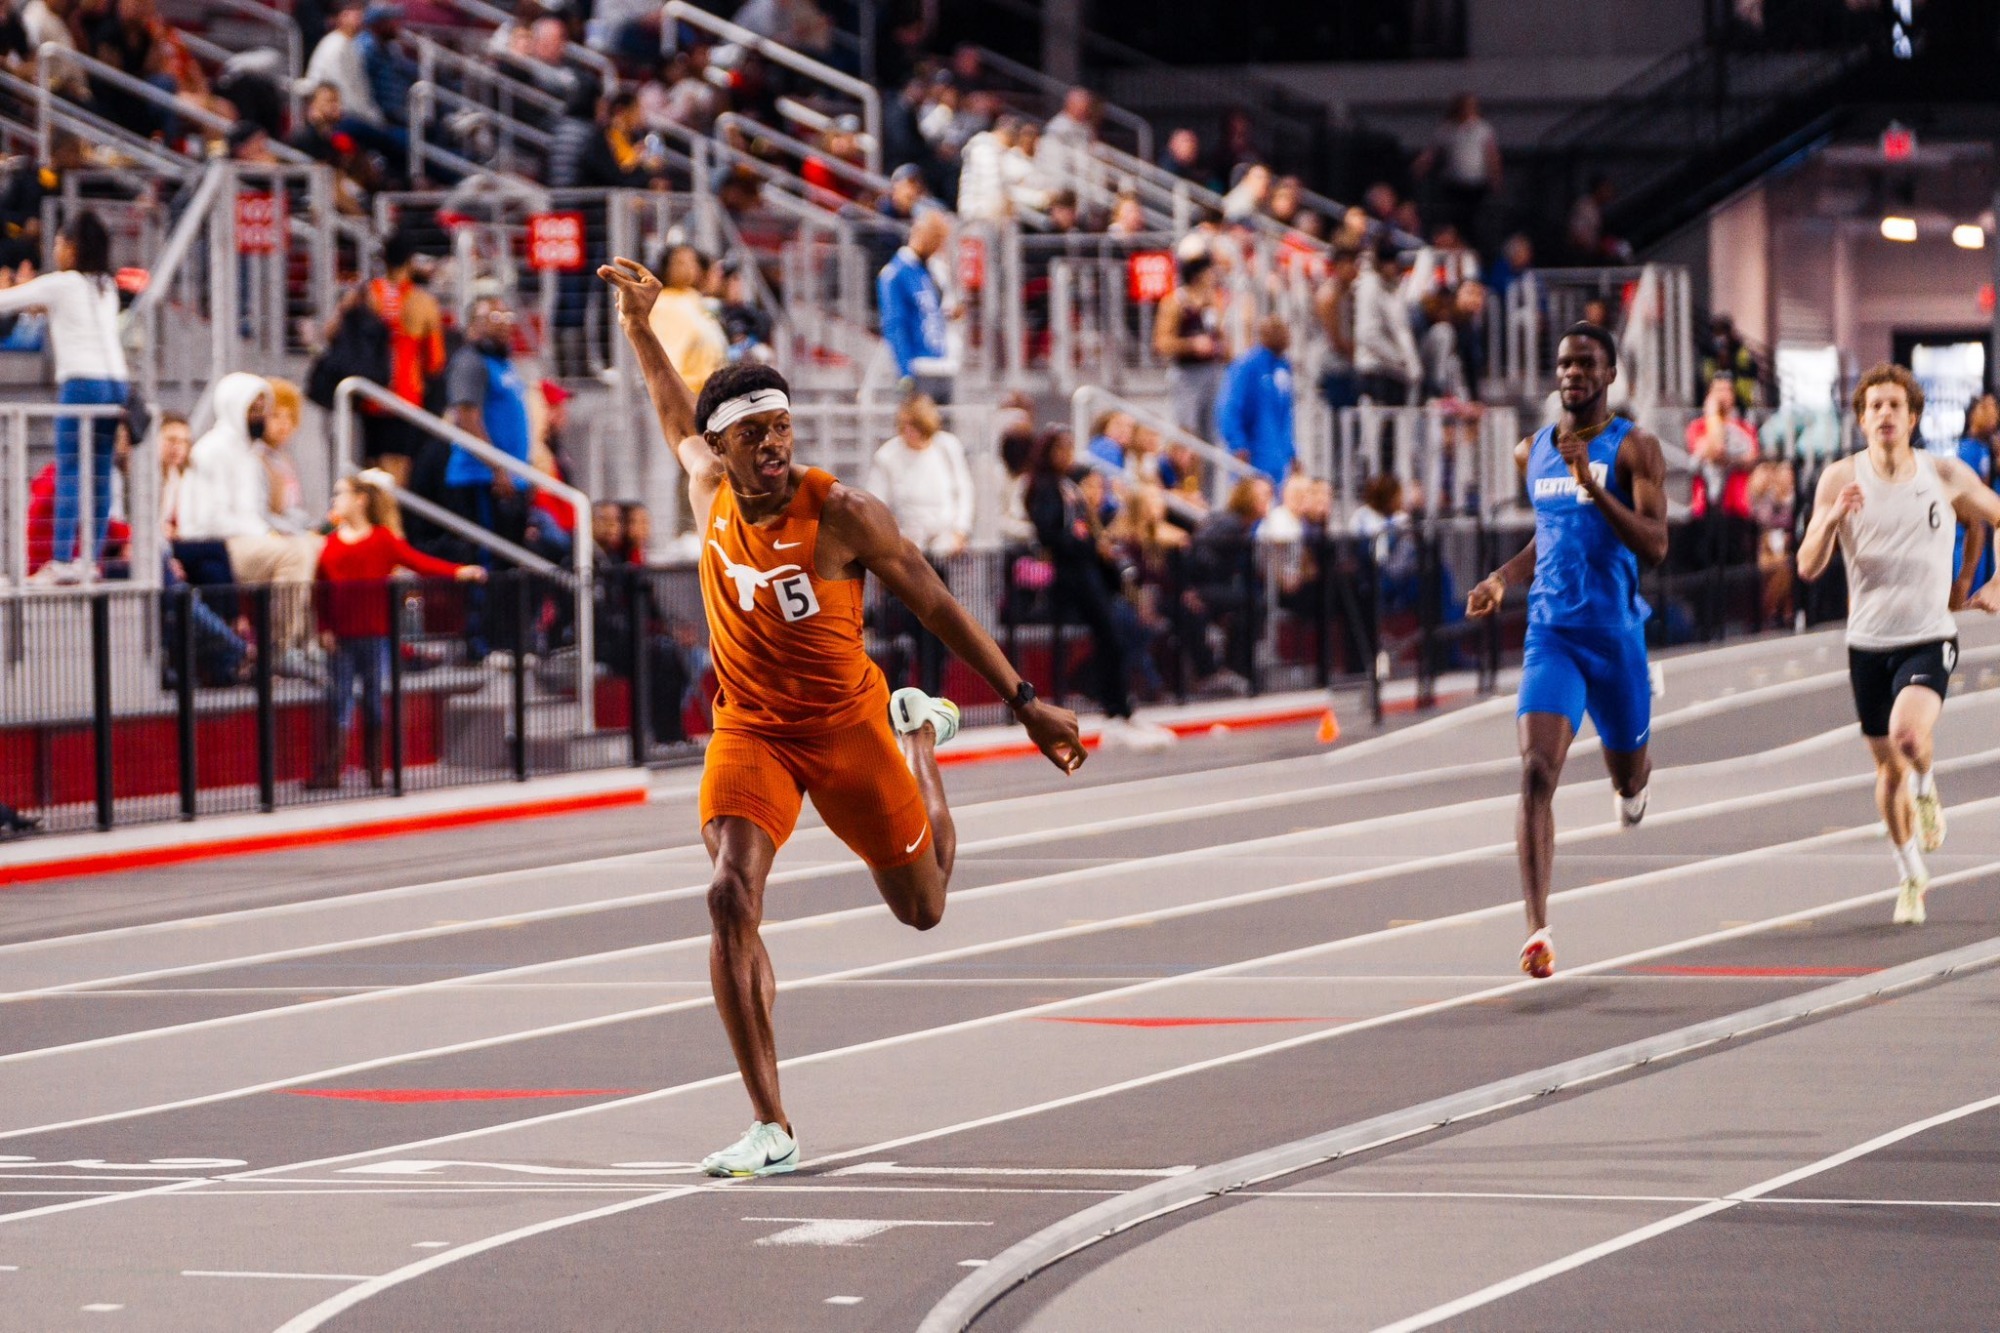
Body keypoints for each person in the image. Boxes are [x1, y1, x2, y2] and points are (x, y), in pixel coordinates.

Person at [600, 256, 1084, 1178]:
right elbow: (674, 410)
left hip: (849, 723)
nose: (776, 444)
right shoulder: (705, 490)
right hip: (750, 729)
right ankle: (772, 1124)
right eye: (757, 435)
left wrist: (1024, 704)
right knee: (726, 893)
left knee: (926, 908)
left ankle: (922, 738)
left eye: (785, 427)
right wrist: (640, 329)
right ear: (723, 449)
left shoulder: (843, 515)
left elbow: (936, 605)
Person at [1465, 324, 1668, 979]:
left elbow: (1656, 544)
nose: (1572, 373)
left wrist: (1597, 486)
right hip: (1551, 636)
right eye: (1563, 364)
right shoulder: (1534, 451)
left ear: (1609, 374)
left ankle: (1634, 785)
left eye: (1586, 364)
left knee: (1626, 775)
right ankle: (1537, 929)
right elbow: (1547, 539)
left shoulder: (1634, 446)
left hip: (1616, 639)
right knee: (1535, 774)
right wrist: (1501, 578)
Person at [1796, 364, 2000, 926]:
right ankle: (1911, 872)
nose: (1885, 414)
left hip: (1929, 635)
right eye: (1875, 406)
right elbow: (1807, 566)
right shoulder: (1839, 479)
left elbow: (1997, 514)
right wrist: (1831, 520)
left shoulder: (1943, 473)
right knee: (1887, 776)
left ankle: (1929, 787)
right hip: (1867, 644)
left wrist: (1996, 581)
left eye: (1895, 406)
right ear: (1862, 419)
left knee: (1910, 738)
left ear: (1913, 418)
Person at [310, 470, 482, 789]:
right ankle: (332, 769)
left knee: (374, 701)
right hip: (342, 637)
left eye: (342, 493)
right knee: (340, 701)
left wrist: (458, 572)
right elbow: (320, 591)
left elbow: (419, 561)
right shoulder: (331, 543)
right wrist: (324, 628)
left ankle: (375, 770)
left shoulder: (382, 539)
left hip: (374, 635)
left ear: (360, 500)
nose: (336, 500)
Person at [0, 210, 128, 581]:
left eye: (58, 243)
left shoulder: (62, 283)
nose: (55, 249)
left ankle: (59, 559)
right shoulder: (106, 284)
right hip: (116, 385)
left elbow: (6, 303)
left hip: (82, 382)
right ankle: (89, 560)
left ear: (72, 247)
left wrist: (13, 285)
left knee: (70, 468)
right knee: (101, 473)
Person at [178, 373, 325, 675]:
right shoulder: (213, 449)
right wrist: (265, 533)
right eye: (254, 408)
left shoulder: (247, 451)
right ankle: (279, 648)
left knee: (316, 546)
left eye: (263, 408)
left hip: (247, 537)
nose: (261, 416)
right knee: (293, 553)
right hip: (214, 543)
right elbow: (210, 517)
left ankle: (308, 642)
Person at [443, 295, 533, 660]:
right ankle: (485, 643)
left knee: (510, 566)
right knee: (487, 562)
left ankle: (509, 641)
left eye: (505, 313)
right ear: (472, 326)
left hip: (511, 479)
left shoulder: (503, 365)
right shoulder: (470, 361)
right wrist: (497, 467)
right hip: (480, 478)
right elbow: (466, 417)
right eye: (491, 316)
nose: (502, 321)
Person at [865, 394, 973, 696]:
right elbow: (877, 504)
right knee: (902, 632)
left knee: (939, 629)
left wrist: (959, 530)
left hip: (940, 553)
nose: (911, 434)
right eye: (907, 427)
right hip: (903, 555)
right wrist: (895, 540)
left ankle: (934, 694)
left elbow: (962, 490)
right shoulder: (888, 456)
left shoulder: (947, 447)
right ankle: (897, 697)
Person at [362, 231, 445, 487]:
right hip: (406, 395)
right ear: (410, 261)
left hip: (371, 393)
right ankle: (393, 521)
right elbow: (435, 360)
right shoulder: (423, 302)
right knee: (399, 466)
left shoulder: (368, 293)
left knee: (372, 464)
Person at [877, 208, 953, 403]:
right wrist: (905, 373)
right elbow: (894, 325)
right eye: (936, 238)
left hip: (940, 364)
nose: (938, 246)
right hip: (918, 369)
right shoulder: (895, 273)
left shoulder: (928, 271)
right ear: (921, 233)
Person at [1154, 253, 1228, 441]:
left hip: (1213, 371)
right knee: (1188, 431)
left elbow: (1219, 335)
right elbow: (1162, 343)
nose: (1214, 275)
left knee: (1212, 433)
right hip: (1187, 374)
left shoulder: (1212, 301)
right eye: (1210, 271)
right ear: (1198, 275)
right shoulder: (1175, 302)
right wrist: (1191, 345)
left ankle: (1209, 472)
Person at [1412, 92, 1500, 241]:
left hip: (1477, 183)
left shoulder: (1483, 129)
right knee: (1456, 220)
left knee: (1475, 220)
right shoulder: (1448, 129)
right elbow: (1433, 152)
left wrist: (1496, 178)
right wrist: (1418, 168)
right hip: (1454, 184)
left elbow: (1492, 155)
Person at [1217, 315, 1296, 480]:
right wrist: (1237, 444)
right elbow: (1229, 408)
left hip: (1278, 458)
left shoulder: (1284, 367)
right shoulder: (1246, 366)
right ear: (1263, 335)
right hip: (1252, 455)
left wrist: (1291, 452)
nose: (1283, 335)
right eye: (1275, 331)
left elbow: (1286, 415)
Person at [645, 240, 726, 400]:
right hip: (685, 393)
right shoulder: (663, 302)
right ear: (666, 268)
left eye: (691, 262)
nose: (688, 267)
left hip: (710, 390)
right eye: (680, 262)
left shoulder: (692, 297)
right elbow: (672, 354)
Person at [1947, 395, 1998, 601]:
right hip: (1974, 525)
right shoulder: (1968, 449)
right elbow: (1972, 492)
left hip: (1989, 525)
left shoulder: (1987, 448)